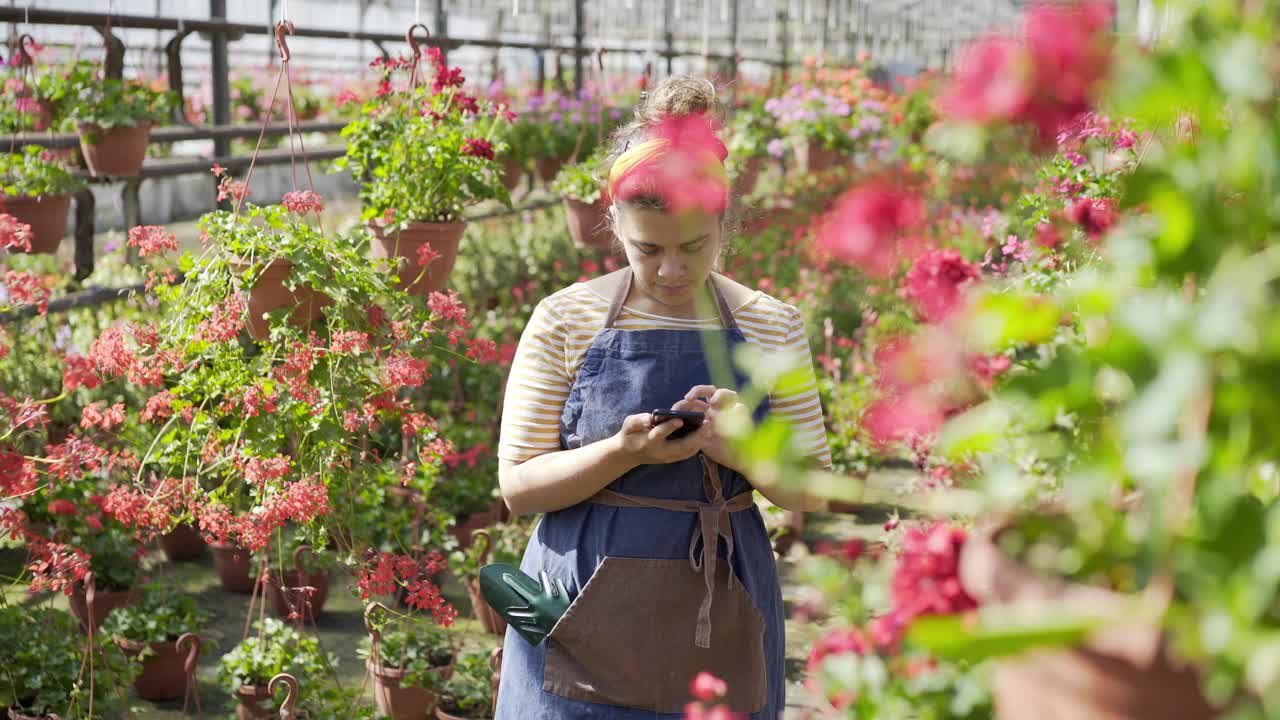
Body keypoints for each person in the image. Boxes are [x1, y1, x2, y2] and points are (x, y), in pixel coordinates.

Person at [494, 76, 833, 720]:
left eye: (693, 247)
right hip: (577, 603)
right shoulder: (567, 319)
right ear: (613, 223)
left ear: (723, 224)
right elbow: (519, 487)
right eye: (647, 249)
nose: (671, 271)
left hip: (720, 601)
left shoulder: (770, 324)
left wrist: (744, 453)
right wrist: (621, 452)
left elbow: (809, 490)